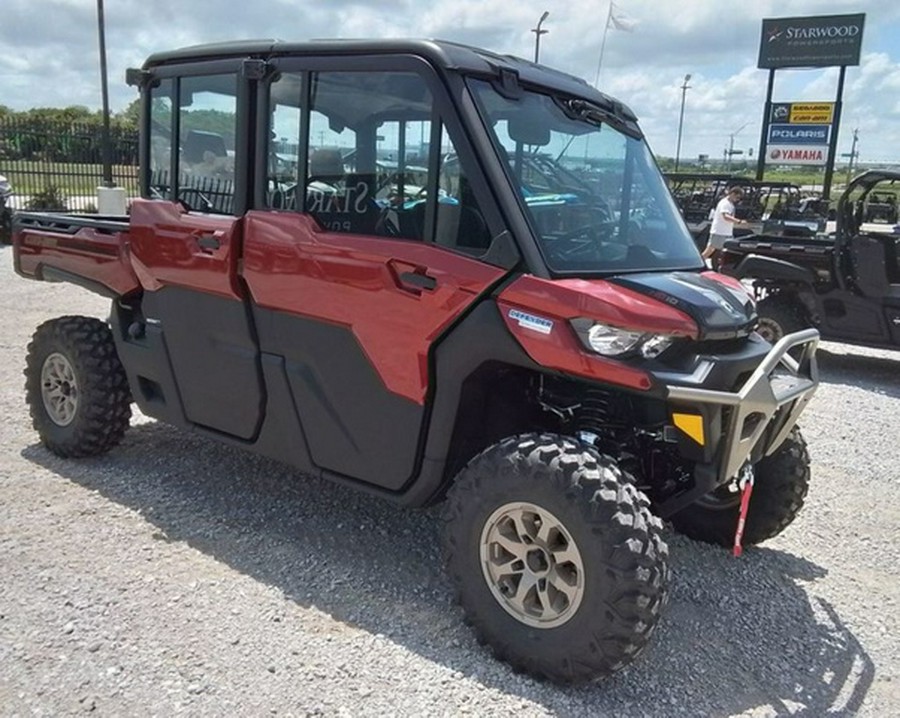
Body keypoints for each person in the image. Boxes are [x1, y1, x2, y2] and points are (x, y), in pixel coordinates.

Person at [703, 186, 748, 269]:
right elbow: (725, 216)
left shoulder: (729, 204)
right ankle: (700, 263)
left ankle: (717, 267)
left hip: (725, 232)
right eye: (737, 197)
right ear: (732, 194)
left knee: (719, 250)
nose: (738, 200)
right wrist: (739, 221)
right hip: (719, 231)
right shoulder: (725, 203)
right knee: (710, 249)